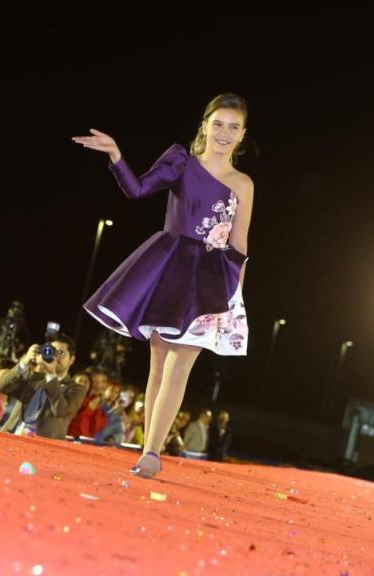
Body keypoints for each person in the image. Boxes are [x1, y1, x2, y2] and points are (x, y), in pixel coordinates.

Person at [72, 93, 255, 478]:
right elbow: (136, 191)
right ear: (205, 124)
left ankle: (152, 453)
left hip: (211, 279)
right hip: (170, 268)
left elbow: (239, 246)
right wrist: (117, 155)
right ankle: (148, 450)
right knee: (158, 367)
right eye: (218, 123)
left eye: (233, 127)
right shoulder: (181, 162)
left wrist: (234, 298)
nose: (224, 132)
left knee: (180, 365)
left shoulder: (243, 183)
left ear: (242, 135)